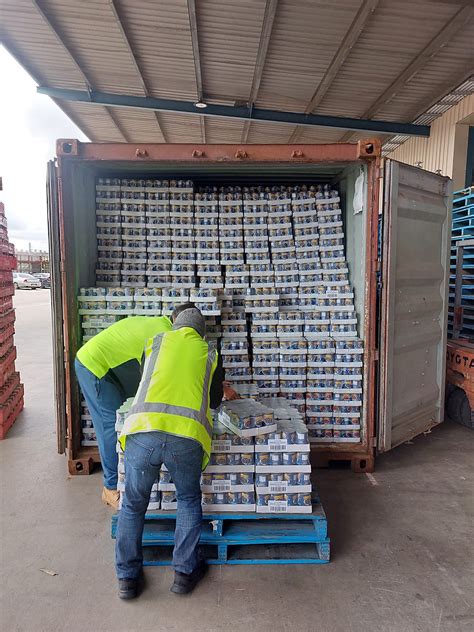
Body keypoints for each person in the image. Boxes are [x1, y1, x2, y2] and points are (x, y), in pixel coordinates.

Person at [115, 306, 223, 600]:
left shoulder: (156, 341)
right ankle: (184, 575)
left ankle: (127, 579)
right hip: (186, 438)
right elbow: (214, 399)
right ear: (201, 332)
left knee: (133, 505)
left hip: (143, 430)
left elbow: (145, 378)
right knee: (188, 500)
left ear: (175, 325)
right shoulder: (209, 354)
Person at [75, 314, 173, 508]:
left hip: (113, 369)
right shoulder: (165, 335)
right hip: (96, 367)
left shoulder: (161, 324)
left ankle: (122, 476)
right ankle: (110, 488)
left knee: (126, 420)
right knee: (110, 426)